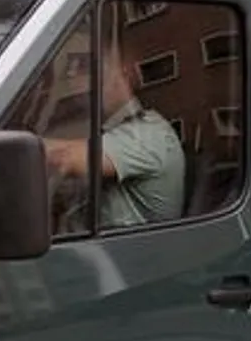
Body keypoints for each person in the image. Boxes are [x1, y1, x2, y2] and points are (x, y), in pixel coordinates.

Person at [43, 27, 186, 230]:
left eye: (95, 69)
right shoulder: (107, 134)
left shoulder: (150, 134)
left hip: (135, 258)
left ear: (127, 75)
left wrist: (3, 143)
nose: (88, 81)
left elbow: (62, 157)